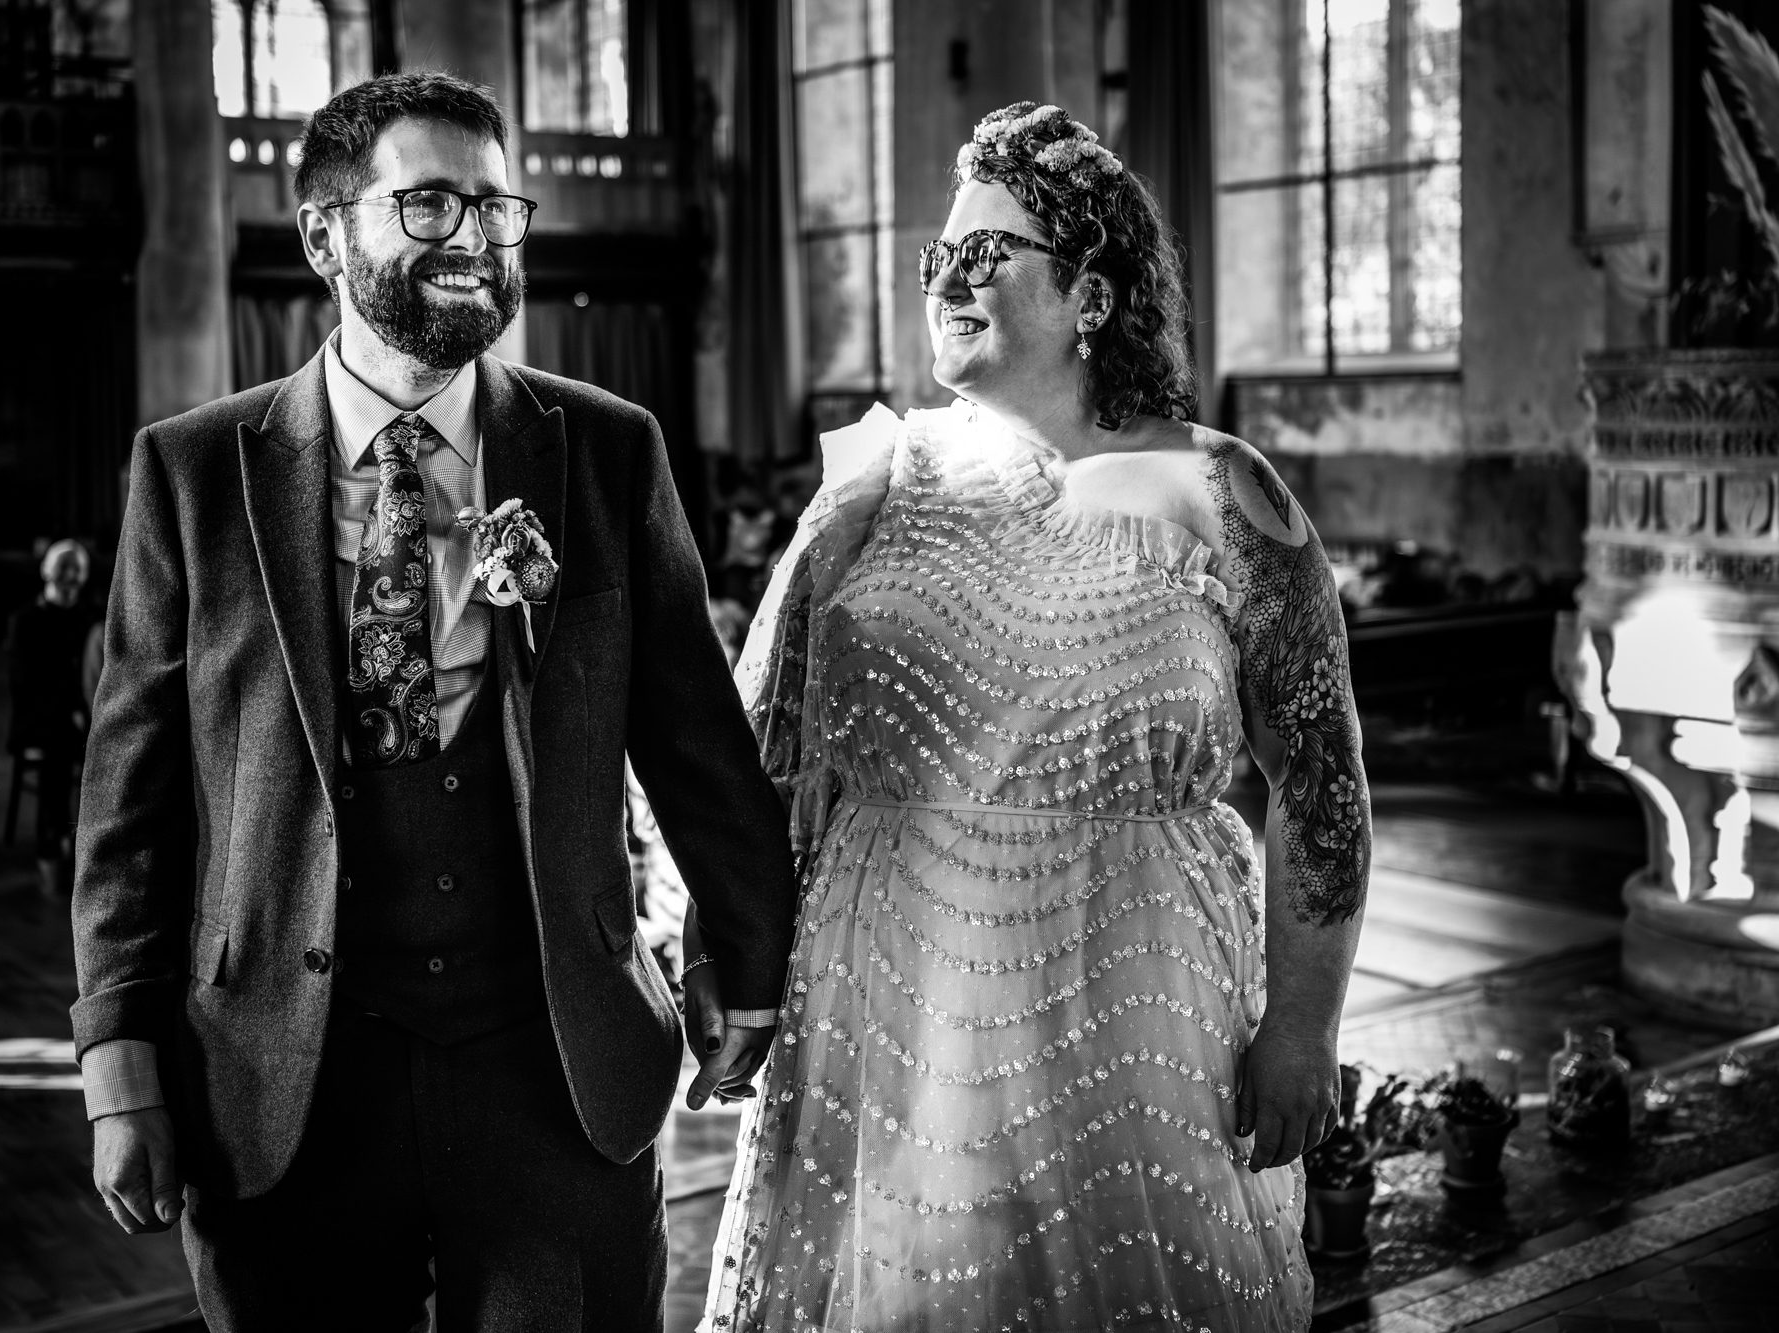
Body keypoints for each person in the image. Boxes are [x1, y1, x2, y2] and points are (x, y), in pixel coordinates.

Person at [70, 72, 797, 1331]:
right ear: (323, 235)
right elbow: (129, 808)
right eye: (425, 204)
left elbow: (695, 741)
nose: (470, 237)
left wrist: (750, 957)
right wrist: (118, 1067)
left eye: (493, 207)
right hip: (281, 1078)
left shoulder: (605, 447)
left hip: (554, 1066)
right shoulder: (190, 473)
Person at [701, 103, 1370, 1332]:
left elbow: (1320, 784)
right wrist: (729, 958)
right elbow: (761, 750)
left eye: (988, 252)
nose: (948, 278)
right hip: (890, 1004)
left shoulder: (1223, 491)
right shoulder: (871, 481)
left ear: (1090, 297)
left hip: (1139, 997)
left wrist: (1302, 1025)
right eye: (938, 257)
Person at [5, 538, 96, 898]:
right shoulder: (24, 622)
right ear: (47, 571)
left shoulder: (87, 619)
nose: (70, 576)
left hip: (79, 717)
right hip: (38, 718)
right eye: (63, 568)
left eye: (77, 569)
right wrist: (69, 711)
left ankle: (87, 848)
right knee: (57, 749)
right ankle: (52, 850)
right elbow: (26, 685)